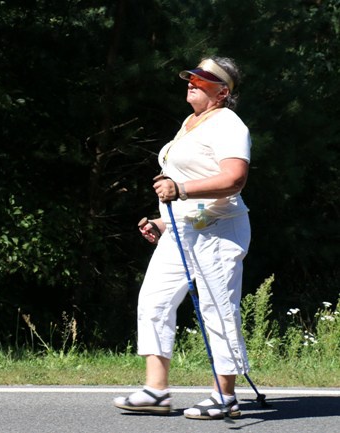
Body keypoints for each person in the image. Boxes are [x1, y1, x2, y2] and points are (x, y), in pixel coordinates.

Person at [113, 56, 252, 420]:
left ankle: (226, 396)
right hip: (182, 229)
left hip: (220, 231)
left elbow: (234, 179)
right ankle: (156, 391)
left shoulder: (229, 125)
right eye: (191, 76)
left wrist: (182, 189)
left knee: (217, 311)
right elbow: (186, 182)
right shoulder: (190, 123)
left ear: (222, 92)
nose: (192, 81)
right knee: (154, 300)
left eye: (203, 79)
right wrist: (162, 222)